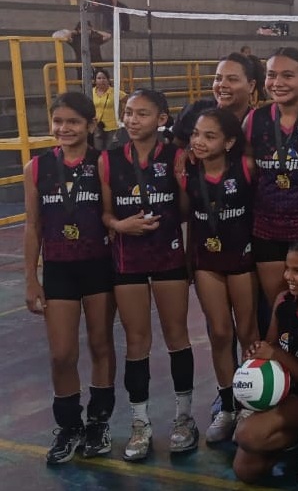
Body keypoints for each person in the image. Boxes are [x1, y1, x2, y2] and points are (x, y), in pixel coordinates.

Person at [98, 89, 195, 461]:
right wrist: (119, 225)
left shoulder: (175, 157)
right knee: (136, 341)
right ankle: (140, 423)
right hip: (128, 260)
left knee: (177, 336)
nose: (132, 119)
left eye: (142, 113)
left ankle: (184, 418)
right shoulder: (109, 159)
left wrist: (181, 184)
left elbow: (184, 209)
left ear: (162, 119)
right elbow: (106, 213)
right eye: (128, 112)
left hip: (168, 255)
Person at [24, 92, 117, 464]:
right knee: (62, 354)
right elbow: (33, 226)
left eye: (73, 121)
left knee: (101, 345)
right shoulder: (37, 167)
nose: (64, 128)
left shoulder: (104, 163)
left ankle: (98, 422)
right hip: (59, 269)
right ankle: (68, 425)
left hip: (99, 266)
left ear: (90, 125)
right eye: (58, 121)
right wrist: (31, 278)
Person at [233, 239, 298, 484]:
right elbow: (272, 345)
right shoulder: (283, 300)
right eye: (287, 268)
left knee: (247, 434)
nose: (288, 276)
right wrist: (256, 357)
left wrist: (275, 354)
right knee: (245, 470)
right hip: (285, 391)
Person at [243, 47, 298, 336]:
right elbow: (243, 165)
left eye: (287, 75)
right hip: (267, 230)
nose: (277, 82)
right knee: (280, 307)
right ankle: (282, 363)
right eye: (271, 75)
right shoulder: (254, 120)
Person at [185, 107, 259, 442]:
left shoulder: (246, 168)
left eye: (209, 136)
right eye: (196, 134)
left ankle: (250, 403)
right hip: (207, 262)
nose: (199, 141)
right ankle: (227, 406)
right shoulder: (186, 170)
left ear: (229, 142)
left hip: (242, 259)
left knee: (248, 333)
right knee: (218, 333)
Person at [173, 52, 266, 148]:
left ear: (251, 86)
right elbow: (174, 150)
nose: (222, 84)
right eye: (218, 78)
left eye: (232, 79)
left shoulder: (261, 123)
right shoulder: (195, 111)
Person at [92, 68, 118, 150]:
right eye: (99, 78)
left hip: (112, 127)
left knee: (110, 151)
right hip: (97, 127)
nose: (101, 80)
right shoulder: (91, 92)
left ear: (108, 80)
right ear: (95, 80)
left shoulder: (114, 92)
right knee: (98, 150)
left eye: (104, 78)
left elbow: (127, 100)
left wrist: (123, 113)